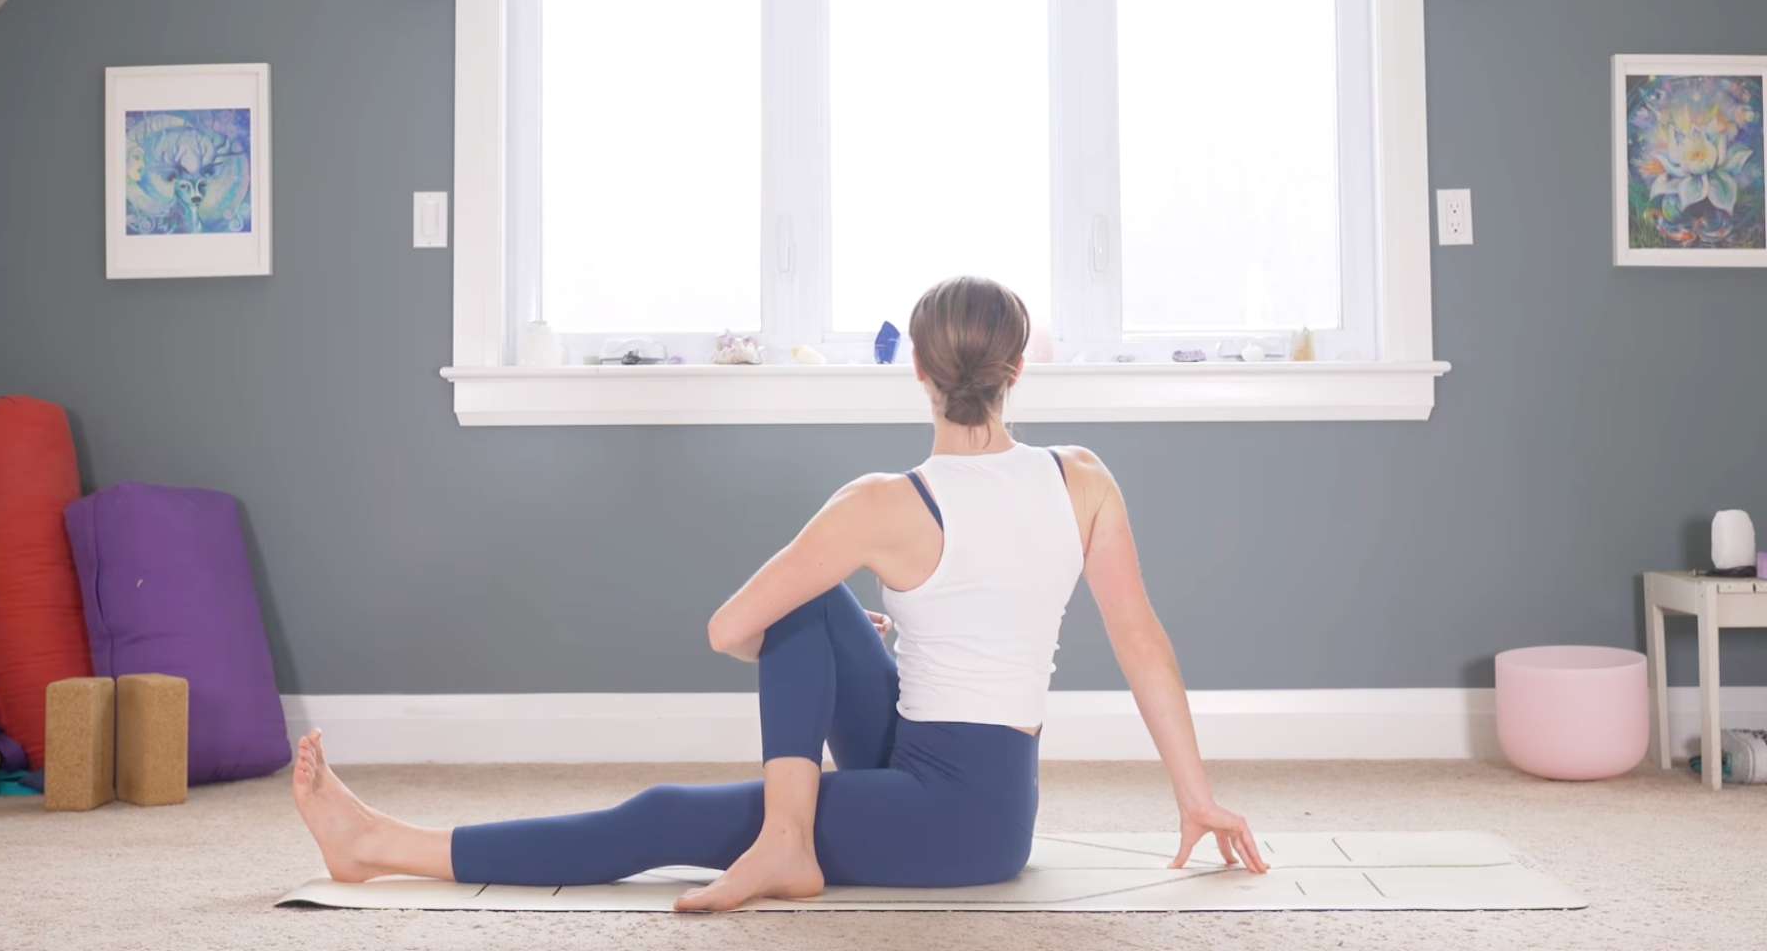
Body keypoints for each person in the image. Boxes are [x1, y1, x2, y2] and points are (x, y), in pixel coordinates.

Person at [291, 274, 1267, 911]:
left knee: (676, 807)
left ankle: (380, 845)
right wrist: (1197, 799)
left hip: (951, 822)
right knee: (816, 604)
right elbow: (1143, 641)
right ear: (1017, 371)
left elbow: (730, 629)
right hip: (994, 797)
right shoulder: (1083, 478)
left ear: (919, 371)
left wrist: (834, 642)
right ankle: (788, 831)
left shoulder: (878, 506)